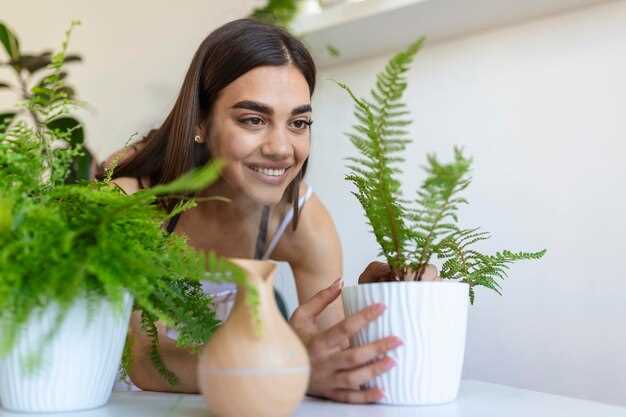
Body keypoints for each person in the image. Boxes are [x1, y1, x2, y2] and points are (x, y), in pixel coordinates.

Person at [106, 18, 436, 403]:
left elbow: (338, 364)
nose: (281, 148)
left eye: (298, 122)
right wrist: (289, 366)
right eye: (253, 119)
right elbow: (148, 362)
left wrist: (383, 303)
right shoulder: (128, 204)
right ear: (199, 121)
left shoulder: (300, 221)